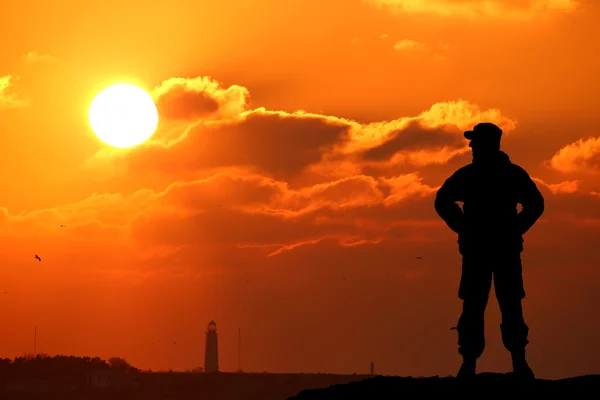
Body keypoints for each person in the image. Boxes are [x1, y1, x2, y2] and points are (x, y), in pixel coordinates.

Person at [434, 122, 544, 380]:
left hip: (494, 250)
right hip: (483, 250)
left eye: (475, 141)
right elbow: (443, 200)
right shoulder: (487, 174)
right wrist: (462, 227)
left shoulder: (490, 175)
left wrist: (514, 229)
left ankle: (514, 363)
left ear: (488, 144)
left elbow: (535, 204)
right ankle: (475, 363)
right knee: (479, 306)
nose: (471, 146)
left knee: (505, 305)